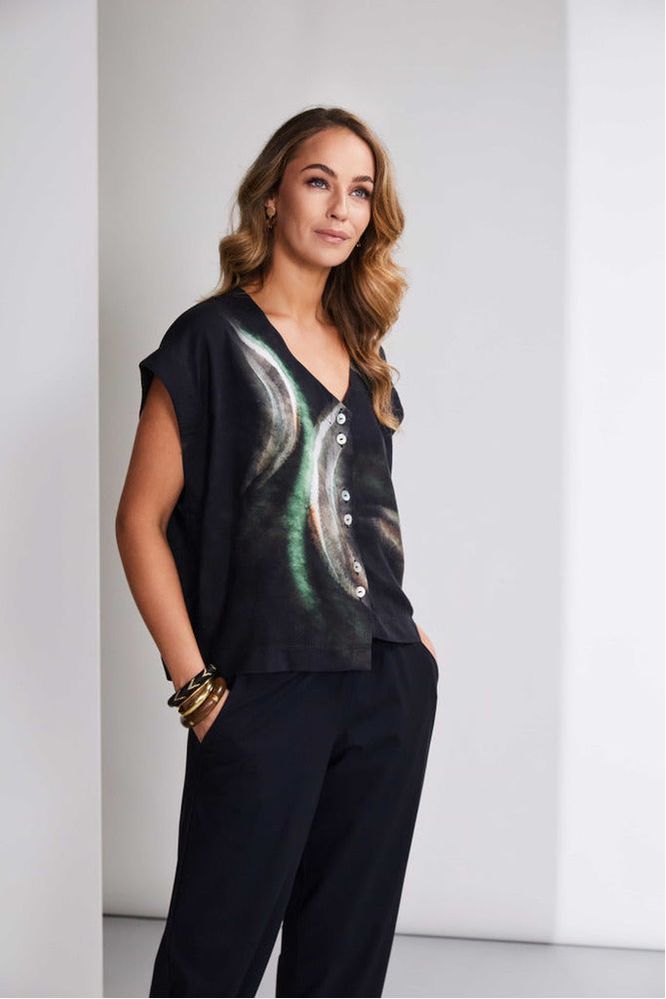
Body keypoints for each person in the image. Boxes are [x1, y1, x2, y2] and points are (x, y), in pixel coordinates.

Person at [115, 105, 440, 998]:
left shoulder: (364, 354)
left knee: (343, 965)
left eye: (360, 191)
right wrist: (195, 687)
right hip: (266, 686)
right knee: (210, 962)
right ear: (271, 197)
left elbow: (367, 516)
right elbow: (140, 519)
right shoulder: (211, 340)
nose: (341, 207)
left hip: (386, 684)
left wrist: (412, 643)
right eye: (318, 181)